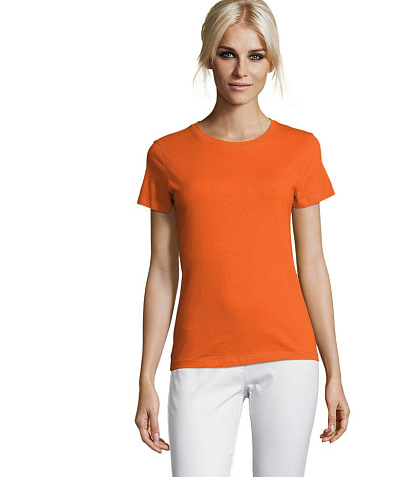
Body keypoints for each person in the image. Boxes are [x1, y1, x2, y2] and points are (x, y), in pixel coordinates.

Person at [134, 1, 350, 475]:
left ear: (271, 62)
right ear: (208, 56)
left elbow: (313, 265)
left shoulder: (300, 148)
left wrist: (335, 371)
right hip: (199, 357)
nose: (240, 71)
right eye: (227, 53)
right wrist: (146, 377)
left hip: (288, 355)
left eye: (255, 56)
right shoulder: (168, 154)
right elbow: (162, 272)